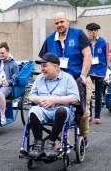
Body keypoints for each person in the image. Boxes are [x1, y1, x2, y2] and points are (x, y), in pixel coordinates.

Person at [38, 12, 92, 145]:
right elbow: (43, 61)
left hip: (79, 79)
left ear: (67, 22)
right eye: (56, 23)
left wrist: (83, 75)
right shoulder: (49, 40)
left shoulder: (78, 34)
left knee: (83, 113)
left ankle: (83, 136)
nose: (59, 25)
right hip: (59, 82)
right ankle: (60, 144)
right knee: (59, 111)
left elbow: (88, 55)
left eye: (62, 22)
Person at [27, 53, 80, 158]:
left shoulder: (68, 78)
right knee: (33, 111)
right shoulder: (39, 78)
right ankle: (38, 145)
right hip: (44, 110)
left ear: (56, 66)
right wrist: (41, 99)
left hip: (62, 111)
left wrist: (54, 100)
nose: (42, 68)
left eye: (45, 65)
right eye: (41, 66)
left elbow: (75, 98)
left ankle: (51, 144)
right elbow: (31, 96)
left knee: (61, 111)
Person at [86, 23, 108, 124]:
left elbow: (107, 58)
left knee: (99, 94)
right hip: (89, 70)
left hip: (100, 70)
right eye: (91, 30)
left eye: (95, 30)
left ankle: (97, 116)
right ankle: (89, 114)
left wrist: (105, 71)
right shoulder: (85, 42)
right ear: (88, 32)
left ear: (98, 31)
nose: (93, 32)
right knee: (88, 94)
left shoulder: (104, 42)